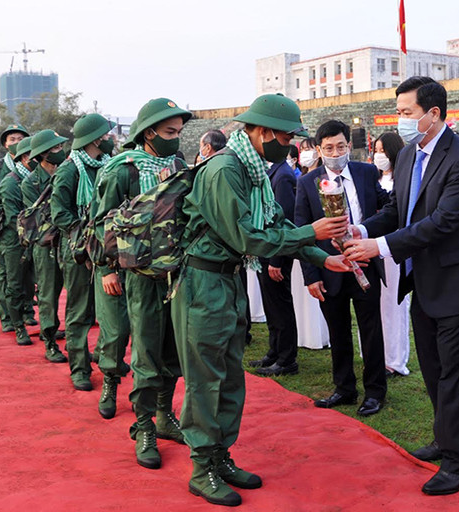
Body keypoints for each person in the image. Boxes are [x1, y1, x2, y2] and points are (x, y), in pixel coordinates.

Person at [172, 94, 352, 507]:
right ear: (264, 131)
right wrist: (313, 235)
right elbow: (249, 238)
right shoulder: (224, 170)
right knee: (206, 380)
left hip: (228, 280)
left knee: (231, 377)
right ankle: (202, 468)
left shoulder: (253, 170)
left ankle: (221, 456)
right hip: (203, 284)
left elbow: (276, 221)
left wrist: (324, 257)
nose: (292, 144)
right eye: (288, 136)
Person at [345, 76, 459, 496]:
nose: (401, 121)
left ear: (433, 113)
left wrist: (379, 247)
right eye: (399, 112)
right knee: (433, 369)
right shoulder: (410, 154)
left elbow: (443, 222)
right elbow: (399, 209)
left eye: (407, 113)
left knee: (455, 374)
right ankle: (444, 437)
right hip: (424, 281)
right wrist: (362, 228)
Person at [93, 98, 190, 468]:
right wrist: (108, 269)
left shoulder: (179, 165)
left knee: (173, 348)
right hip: (139, 274)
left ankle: (166, 416)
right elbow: (101, 222)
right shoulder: (123, 170)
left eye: (179, 132)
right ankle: (144, 425)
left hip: (175, 273)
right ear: (149, 132)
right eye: (169, 132)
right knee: (147, 350)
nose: (175, 139)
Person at [296, 120, 388, 416]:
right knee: (337, 331)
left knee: (371, 331)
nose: (335, 152)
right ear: (319, 151)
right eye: (328, 148)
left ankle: (375, 392)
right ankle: (344, 388)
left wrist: (363, 231)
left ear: (349, 146)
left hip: (364, 262)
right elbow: (301, 231)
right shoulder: (307, 182)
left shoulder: (366, 171)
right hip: (329, 269)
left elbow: (388, 209)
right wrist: (311, 275)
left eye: (340, 146)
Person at [51, 115, 117, 394]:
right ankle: (79, 367)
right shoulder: (69, 171)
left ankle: (102, 353)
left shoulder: (105, 166)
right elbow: (59, 214)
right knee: (79, 313)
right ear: (94, 139)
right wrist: (88, 230)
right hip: (78, 250)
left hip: (102, 249)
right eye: (105, 135)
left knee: (104, 311)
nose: (109, 139)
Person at [250, 149, 300, 377]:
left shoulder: (283, 175)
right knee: (271, 305)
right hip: (266, 252)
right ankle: (275, 351)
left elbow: (284, 220)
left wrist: (277, 259)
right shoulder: (272, 172)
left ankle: (286, 358)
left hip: (275, 254)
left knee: (280, 306)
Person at [22, 130, 67, 366]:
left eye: (61, 148)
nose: (61, 152)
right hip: (47, 245)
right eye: (55, 149)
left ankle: (75, 343)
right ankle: (49, 341)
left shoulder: (68, 174)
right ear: (43, 154)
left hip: (68, 241)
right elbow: (41, 217)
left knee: (78, 295)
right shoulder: (31, 183)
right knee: (48, 295)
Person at [0, 124, 31, 336]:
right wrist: (2, 212)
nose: (17, 142)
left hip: (27, 228)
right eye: (12, 139)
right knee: (6, 277)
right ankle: (8, 318)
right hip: (4, 232)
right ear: (5, 144)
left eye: (21, 138)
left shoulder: (31, 165)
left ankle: (26, 312)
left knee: (26, 274)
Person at [373, 132, 411, 377]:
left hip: (394, 245)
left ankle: (395, 360)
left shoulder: (402, 178)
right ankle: (375, 354)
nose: (379, 156)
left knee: (395, 304)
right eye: (376, 150)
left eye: (383, 151)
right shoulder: (373, 178)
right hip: (373, 244)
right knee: (375, 303)